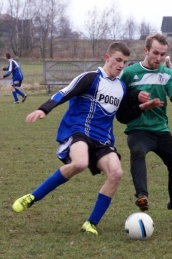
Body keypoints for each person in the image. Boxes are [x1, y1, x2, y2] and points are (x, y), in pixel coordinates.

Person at [12, 42, 161, 235]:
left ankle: (90, 224)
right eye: (118, 60)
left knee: (116, 173)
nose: (121, 65)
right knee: (80, 163)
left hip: (104, 139)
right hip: (79, 131)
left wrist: (141, 108)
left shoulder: (122, 87)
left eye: (124, 62)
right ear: (107, 58)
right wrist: (43, 109)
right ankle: (32, 197)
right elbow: (64, 93)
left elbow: (122, 117)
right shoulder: (90, 78)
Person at [116, 33, 172, 219]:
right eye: (155, 53)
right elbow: (121, 101)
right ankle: (142, 196)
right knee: (138, 151)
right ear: (146, 50)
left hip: (161, 129)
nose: (158, 58)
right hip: (138, 128)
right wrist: (138, 102)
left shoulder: (166, 73)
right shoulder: (130, 73)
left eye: (162, 55)